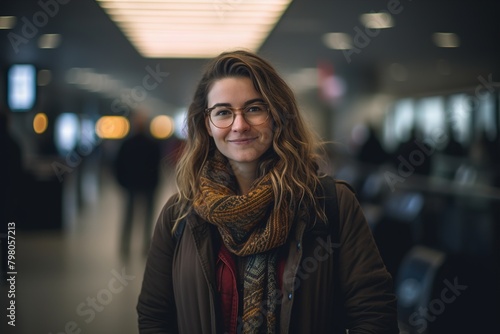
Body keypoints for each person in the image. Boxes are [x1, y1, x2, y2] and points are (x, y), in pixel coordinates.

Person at [137, 50, 399, 333]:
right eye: (223, 112)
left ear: (277, 116)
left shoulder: (330, 204)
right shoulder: (180, 215)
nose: (239, 125)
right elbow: (155, 315)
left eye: (254, 108)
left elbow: (374, 313)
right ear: (207, 125)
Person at [113, 109, 162, 258]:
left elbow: (117, 165)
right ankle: (144, 246)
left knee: (129, 216)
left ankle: (126, 246)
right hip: (146, 185)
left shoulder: (127, 144)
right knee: (146, 217)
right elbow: (157, 166)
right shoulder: (152, 144)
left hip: (132, 185)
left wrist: (122, 182)